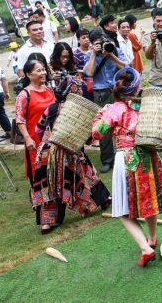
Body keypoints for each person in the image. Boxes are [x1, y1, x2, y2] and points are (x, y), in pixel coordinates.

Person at [92, 68, 162, 267]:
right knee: (148, 200)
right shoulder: (146, 106)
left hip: (125, 158)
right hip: (148, 156)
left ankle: (146, 249)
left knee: (122, 210)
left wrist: (99, 115)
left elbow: (97, 134)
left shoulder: (113, 109)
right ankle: (152, 238)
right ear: (136, 87)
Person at [33, 75, 111, 222]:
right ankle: (103, 199)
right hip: (69, 152)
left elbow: (38, 129)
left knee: (48, 185)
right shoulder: (80, 112)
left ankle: (46, 223)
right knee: (87, 173)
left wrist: (48, 143)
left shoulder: (51, 108)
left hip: (46, 153)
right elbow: (88, 139)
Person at [15, 59, 58, 233]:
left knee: (57, 175)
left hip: (53, 141)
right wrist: (27, 138)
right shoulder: (24, 95)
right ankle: (45, 220)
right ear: (28, 74)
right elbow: (20, 119)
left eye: (43, 70)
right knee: (41, 181)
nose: (43, 73)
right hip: (36, 145)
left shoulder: (49, 90)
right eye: (38, 70)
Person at [84, 28, 128, 173]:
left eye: (104, 40)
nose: (102, 44)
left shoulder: (114, 50)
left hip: (117, 90)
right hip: (101, 92)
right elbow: (89, 73)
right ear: (92, 44)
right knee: (104, 127)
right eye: (98, 42)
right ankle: (107, 160)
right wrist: (93, 54)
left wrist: (110, 55)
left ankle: (125, 157)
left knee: (123, 125)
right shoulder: (90, 55)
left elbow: (126, 68)